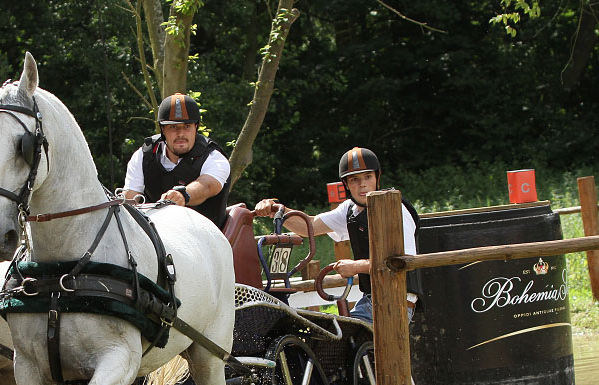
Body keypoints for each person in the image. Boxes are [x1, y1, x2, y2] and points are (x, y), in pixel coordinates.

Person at [255, 147, 421, 324]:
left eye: (367, 177)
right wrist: (276, 209)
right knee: (332, 336)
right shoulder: (350, 209)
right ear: (346, 184)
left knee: (342, 340)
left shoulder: (395, 209)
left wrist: (355, 266)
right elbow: (309, 226)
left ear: (377, 178)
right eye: (354, 179)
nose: (362, 184)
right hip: (372, 299)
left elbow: (404, 261)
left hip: (397, 300)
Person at [122, 93, 232, 228]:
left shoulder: (214, 158)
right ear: (162, 129)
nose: (181, 134)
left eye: (187, 126)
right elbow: (130, 198)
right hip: (156, 238)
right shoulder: (143, 156)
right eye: (173, 127)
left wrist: (183, 195)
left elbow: (207, 185)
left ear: (196, 127)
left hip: (207, 240)